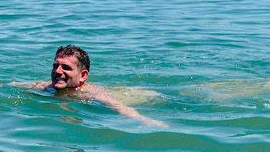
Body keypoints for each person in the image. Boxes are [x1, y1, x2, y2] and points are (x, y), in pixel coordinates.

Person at [16, 45, 166, 128]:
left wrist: (143, 120)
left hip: (145, 97)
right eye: (55, 66)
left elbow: (117, 106)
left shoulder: (92, 94)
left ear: (83, 75)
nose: (57, 71)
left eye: (66, 68)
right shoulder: (45, 87)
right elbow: (18, 85)